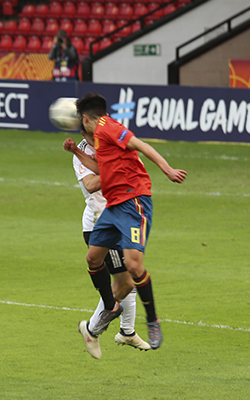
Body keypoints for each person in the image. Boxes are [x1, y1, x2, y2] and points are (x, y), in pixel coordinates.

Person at [64, 92, 187, 349]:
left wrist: (167, 169)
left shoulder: (108, 128)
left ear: (85, 117)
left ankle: (152, 320)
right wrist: (75, 150)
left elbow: (142, 145)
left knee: (133, 265)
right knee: (93, 258)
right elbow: (100, 169)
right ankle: (110, 309)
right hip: (114, 206)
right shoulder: (98, 138)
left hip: (134, 202)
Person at [72, 130, 150, 358]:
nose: (90, 137)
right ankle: (92, 330)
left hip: (123, 217)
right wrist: (117, 172)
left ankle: (127, 331)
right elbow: (90, 184)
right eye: (85, 134)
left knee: (130, 277)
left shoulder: (115, 142)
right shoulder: (81, 153)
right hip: (101, 223)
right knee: (125, 282)